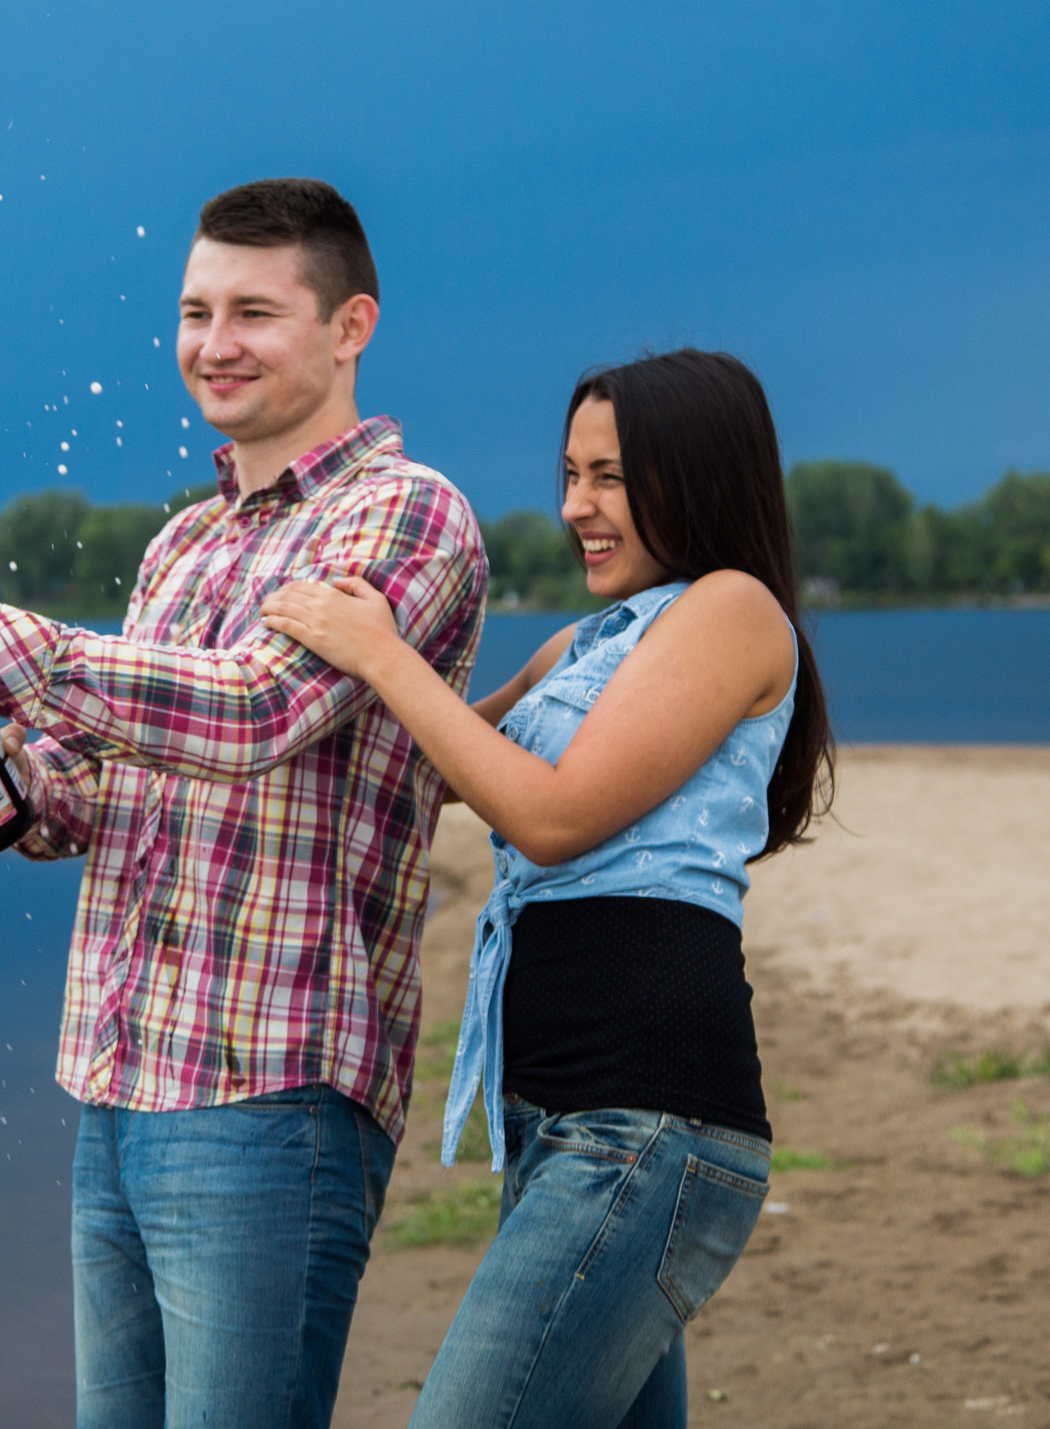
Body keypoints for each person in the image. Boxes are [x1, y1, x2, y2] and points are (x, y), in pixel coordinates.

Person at [0, 178, 488, 1429]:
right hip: (116, 1079)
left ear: (351, 327)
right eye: (194, 312)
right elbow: (93, 797)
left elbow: (252, 713)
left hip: (271, 1093)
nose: (213, 344)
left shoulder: (407, 513)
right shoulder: (181, 546)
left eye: (254, 312)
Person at [259, 348, 833, 1428]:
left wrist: (385, 660)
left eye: (608, 475)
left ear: (696, 472)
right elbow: (434, 768)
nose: (576, 507)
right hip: (555, 1120)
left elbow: (551, 816)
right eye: (568, 474)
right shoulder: (585, 644)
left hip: (647, 1120)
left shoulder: (731, 610)